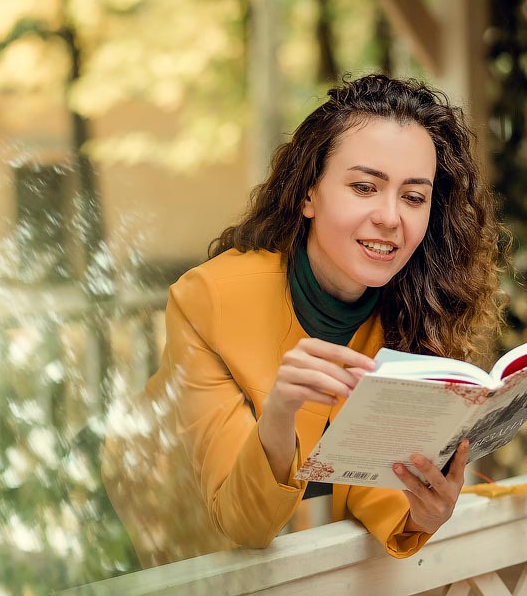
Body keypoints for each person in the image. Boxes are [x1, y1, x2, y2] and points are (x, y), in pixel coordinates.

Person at [102, 74, 506, 568]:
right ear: (308, 194)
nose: (390, 216)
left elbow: (370, 482)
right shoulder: (207, 300)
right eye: (364, 187)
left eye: (414, 196)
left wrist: (424, 512)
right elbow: (241, 522)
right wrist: (278, 416)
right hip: (170, 552)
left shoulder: (418, 310)